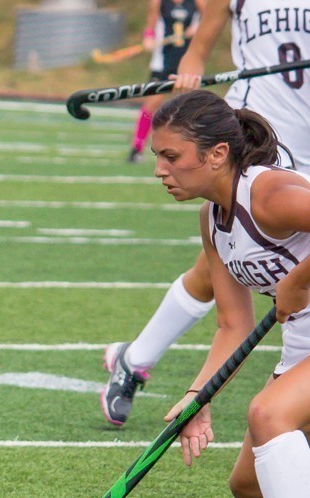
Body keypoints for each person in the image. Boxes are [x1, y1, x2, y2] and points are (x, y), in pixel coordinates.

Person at [101, 0, 310, 427]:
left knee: (225, 266)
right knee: (224, 260)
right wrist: (191, 69)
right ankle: (137, 361)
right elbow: (200, 46)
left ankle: (135, 357)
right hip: (263, 129)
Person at [150, 90, 310, 498]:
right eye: (158, 157)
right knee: (247, 484)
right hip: (303, 343)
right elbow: (233, 325)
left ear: (216, 154)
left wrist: (300, 279)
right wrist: (200, 396)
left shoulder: (270, 194)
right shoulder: (213, 220)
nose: (159, 170)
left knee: (269, 414)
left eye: (171, 157)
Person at [126, 0, 205, 165]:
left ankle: (193, 152)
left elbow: (210, 20)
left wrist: (198, 29)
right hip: (163, 61)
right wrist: (148, 38)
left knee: (189, 106)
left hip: (187, 61)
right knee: (151, 104)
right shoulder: (158, 2)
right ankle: (137, 148)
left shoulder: (197, 1)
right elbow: (150, 26)